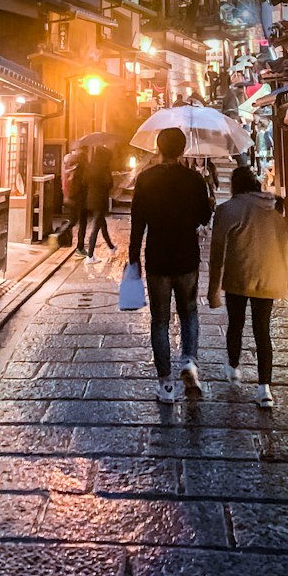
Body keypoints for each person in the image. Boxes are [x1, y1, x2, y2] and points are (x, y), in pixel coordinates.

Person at [129, 127, 214, 403]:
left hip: (158, 256)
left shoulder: (146, 179)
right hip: (187, 255)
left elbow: (137, 222)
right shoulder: (193, 179)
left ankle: (165, 383)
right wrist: (207, 202)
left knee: (160, 320)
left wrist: (133, 257)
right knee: (189, 313)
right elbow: (203, 216)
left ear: (159, 147)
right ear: (183, 149)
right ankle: (189, 359)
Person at [207, 164, 288, 408]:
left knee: (235, 324)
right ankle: (264, 389)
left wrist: (213, 290)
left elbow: (217, 253)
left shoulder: (228, 209)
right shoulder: (275, 209)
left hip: (239, 276)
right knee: (263, 331)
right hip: (270, 277)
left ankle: (234, 367)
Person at [84, 144, 116, 260]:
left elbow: (84, 181)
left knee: (103, 225)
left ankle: (112, 247)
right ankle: (90, 256)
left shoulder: (89, 166)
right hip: (100, 200)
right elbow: (109, 184)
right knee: (96, 227)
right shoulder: (104, 167)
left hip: (90, 200)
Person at [62, 147, 90, 258]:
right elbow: (85, 182)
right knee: (81, 223)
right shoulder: (83, 166)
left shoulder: (70, 164)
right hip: (81, 198)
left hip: (69, 197)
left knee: (72, 221)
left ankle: (59, 235)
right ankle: (80, 247)